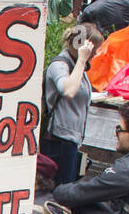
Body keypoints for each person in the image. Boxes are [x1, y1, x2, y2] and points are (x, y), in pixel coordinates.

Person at [42, 22, 104, 185]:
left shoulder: (78, 66)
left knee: (69, 187)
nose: (95, 54)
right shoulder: (60, 65)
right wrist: (82, 60)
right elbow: (68, 91)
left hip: (72, 140)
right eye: (93, 49)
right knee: (61, 189)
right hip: (59, 140)